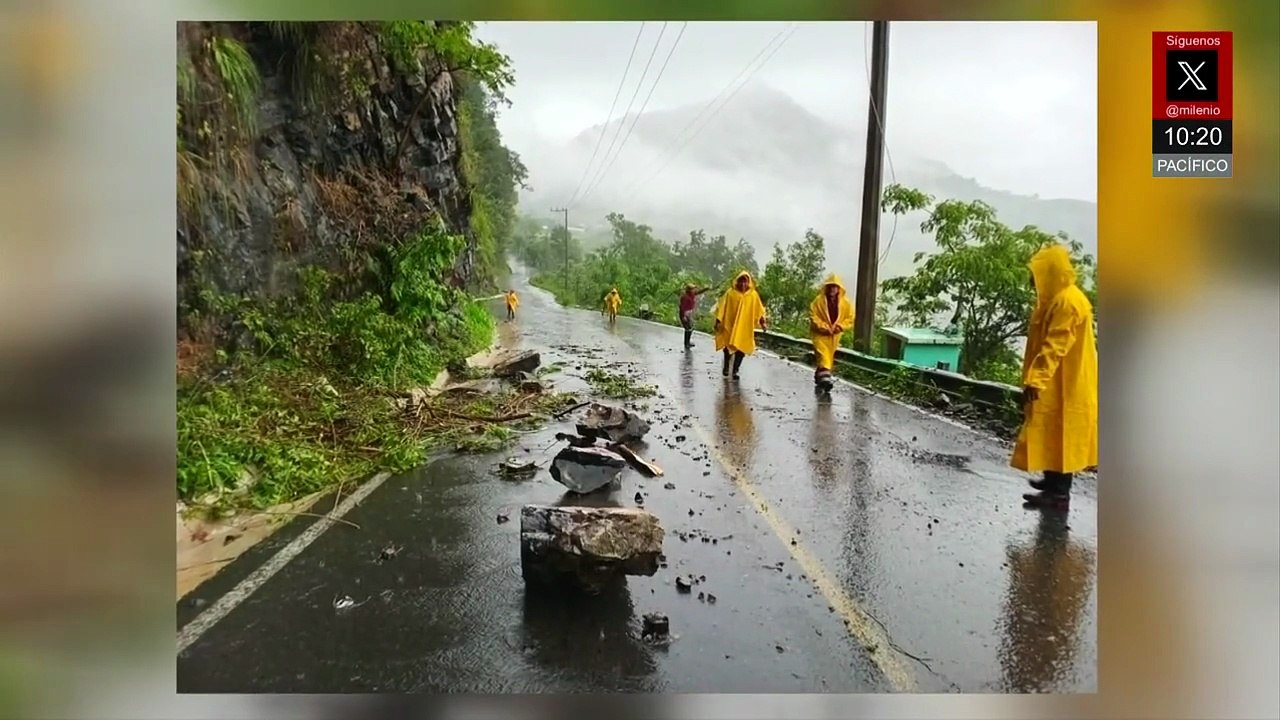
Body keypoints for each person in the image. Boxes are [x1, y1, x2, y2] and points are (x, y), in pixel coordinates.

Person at [1011, 244, 1098, 510]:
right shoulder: (1057, 300)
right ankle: (1051, 482)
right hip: (1057, 380)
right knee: (1051, 429)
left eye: (1037, 275)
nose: (1033, 282)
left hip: (1067, 382)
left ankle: (1059, 494)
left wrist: (1036, 378)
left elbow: (1055, 344)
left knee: (1064, 433)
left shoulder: (1068, 303)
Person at [713, 271, 767, 379]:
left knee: (741, 349)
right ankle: (726, 366)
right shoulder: (730, 293)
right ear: (737, 282)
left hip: (745, 327)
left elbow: (759, 310)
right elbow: (722, 307)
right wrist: (718, 322)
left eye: (745, 282)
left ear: (749, 282)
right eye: (741, 281)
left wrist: (763, 323)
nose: (743, 284)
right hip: (730, 325)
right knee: (728, 347)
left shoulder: (753, 295)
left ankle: (735, 370)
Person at [808, 273, 854, 391]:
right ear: (827, 287)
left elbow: (850, 318)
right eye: (830, 286)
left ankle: (820, 376)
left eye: (835, 287)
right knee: (823, 355)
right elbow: (813, 316)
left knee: (827, 357)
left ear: (839, 289)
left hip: (834, 336)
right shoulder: (818, 301)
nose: (833, 289)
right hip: (820, 334)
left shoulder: (846, 303)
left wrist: (839, 326)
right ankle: (826, 379)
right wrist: (823, 327)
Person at [678, 283, 711, 348]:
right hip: (685, 313)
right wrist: (683, 316)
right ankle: (686, 343)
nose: (694, 290)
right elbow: (682, 307)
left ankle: (687, 342)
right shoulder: (685, 297)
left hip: (689, 313)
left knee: (690, 327)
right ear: (689, 290)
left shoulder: (692, 294)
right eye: (693, 289)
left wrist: (705, 289)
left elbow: (699, 292)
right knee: (688, 328)